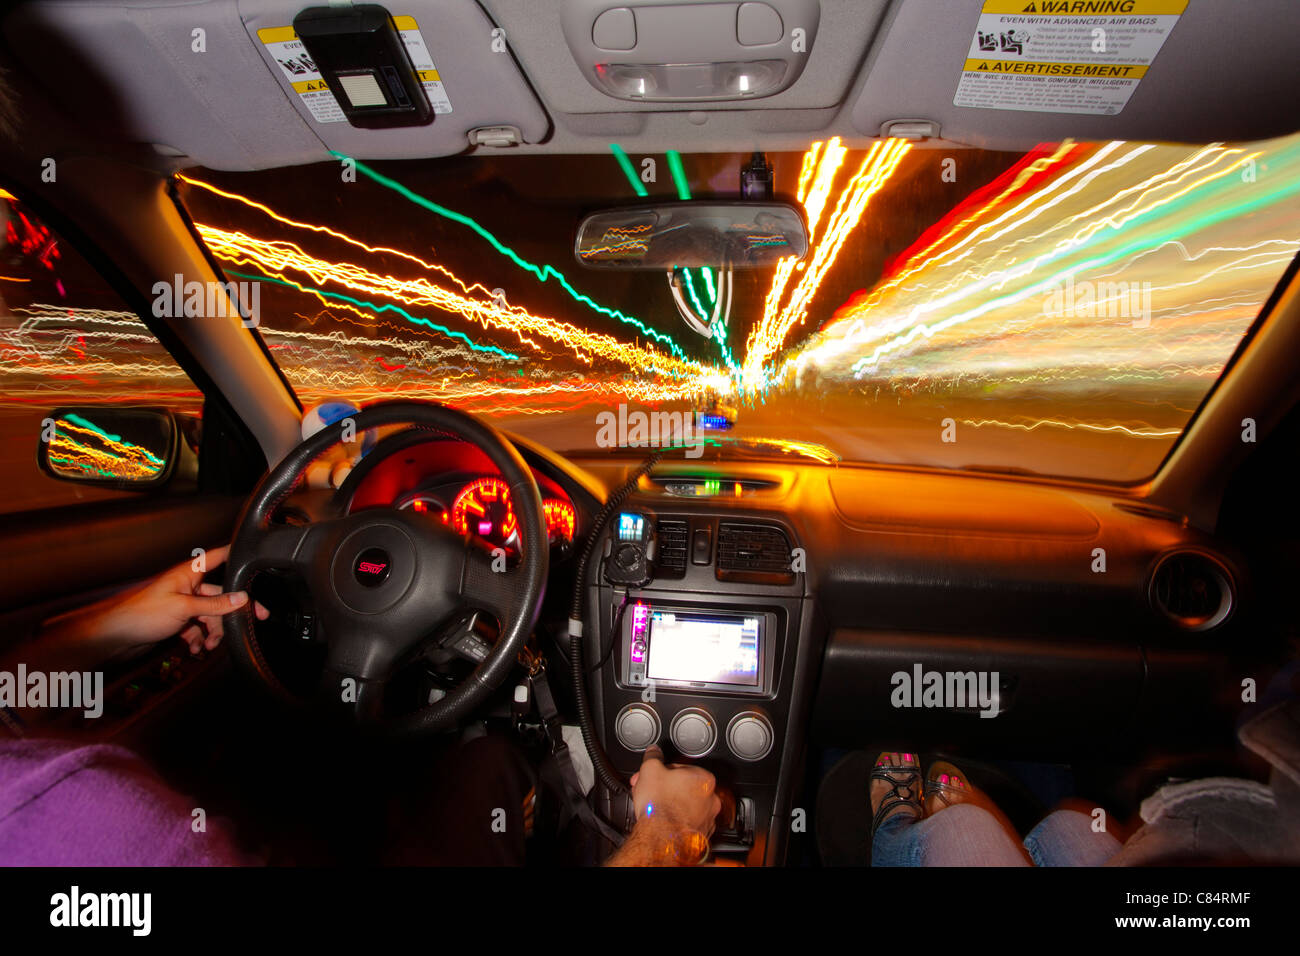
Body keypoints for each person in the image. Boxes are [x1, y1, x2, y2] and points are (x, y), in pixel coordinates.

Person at [0, 546, 720, 867]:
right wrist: (666, 836)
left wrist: (100, 630)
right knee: (490, 763)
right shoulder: (73, 819)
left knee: (475, 767)